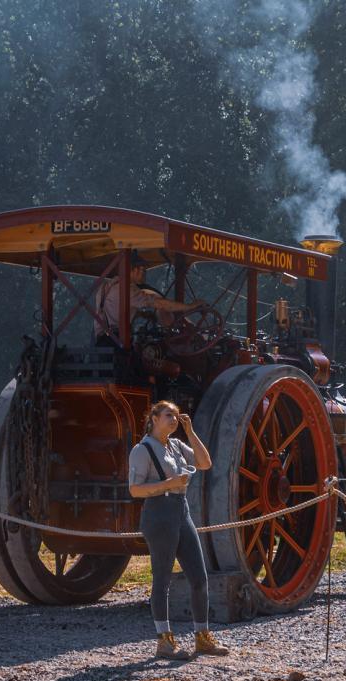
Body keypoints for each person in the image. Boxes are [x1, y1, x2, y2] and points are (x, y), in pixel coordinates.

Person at [128, 400, 228, 659]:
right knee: (162, 579)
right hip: (158, 514)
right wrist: (168, 483)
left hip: (181, 511)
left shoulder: (174, 445)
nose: (174, 419)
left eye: (176, 415)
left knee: (199, 576)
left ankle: (202, 637)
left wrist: (191, 431)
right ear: (154, 418)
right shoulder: (142, 450)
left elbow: (205, 463)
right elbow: (135, 490)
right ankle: (164, 640)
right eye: (168, 415)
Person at [94, 264, 202, 344]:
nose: (144, 274)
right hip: (116, 344)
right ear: (133, 269)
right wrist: (189, 306)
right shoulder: (127, 290)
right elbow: (160, 304)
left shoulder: (106, 286)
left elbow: (114, 309)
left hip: (101, 341)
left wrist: (143, 315)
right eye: (143, 270)